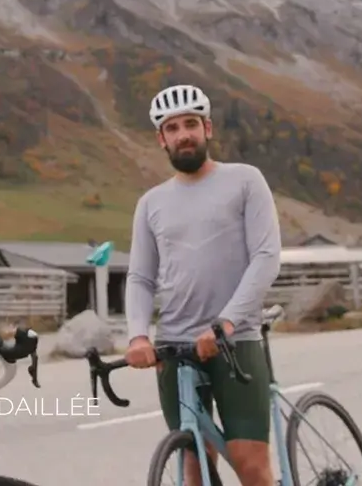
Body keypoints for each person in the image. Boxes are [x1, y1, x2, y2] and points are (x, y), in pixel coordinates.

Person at [124, 84, 283, 486]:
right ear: (162, 139)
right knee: (192, 466)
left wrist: (226, 323)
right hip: (176, 346)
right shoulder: (151, 203)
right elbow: (141, 278)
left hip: (236, 340)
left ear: (207, 128)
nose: (183, 135)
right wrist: (138, 336)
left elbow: (266, 257)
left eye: (191, 124)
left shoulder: (246, 180)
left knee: (250, 465)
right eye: (172, 128)